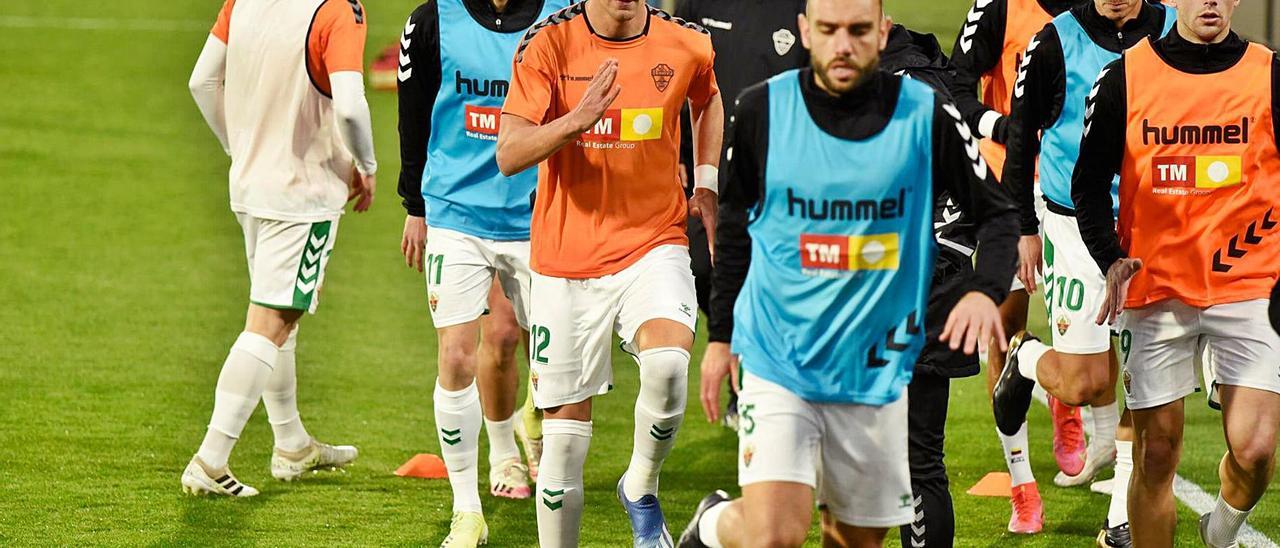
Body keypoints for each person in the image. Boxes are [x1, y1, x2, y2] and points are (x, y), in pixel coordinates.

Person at [678, 0, 1019, 545]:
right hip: (782, 358)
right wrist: (721, 338)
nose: (843, 45)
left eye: (859, 30)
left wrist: (985, 290)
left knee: (856, 538)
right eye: (830, 30)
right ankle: (716, 527)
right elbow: (737, 237)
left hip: (876, 368)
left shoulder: (925, 115)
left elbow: (998, 212)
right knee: (774, 534)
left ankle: (715, 520)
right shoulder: (763, 112)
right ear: (805, 32)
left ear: (882, 33)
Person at [495, 0, 724, 545]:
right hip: (565, 261)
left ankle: (640, 485)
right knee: (565, 445)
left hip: (654, 240)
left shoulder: (687, 42)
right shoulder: (547, 42)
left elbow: (707, 98)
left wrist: (707, 180)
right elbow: (509, 152)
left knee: (669, 365)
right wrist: (576, 120)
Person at [1071, 0, 1280, 544]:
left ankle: (1221, 529)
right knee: (1156, 454)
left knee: (1255, 451)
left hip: (1251, 287)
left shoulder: (1271, 73)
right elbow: (1089, 185)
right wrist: (1109, 257)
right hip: (1156, 289)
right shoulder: (1124, 77)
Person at [991, 0, 1174, 545]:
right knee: (1085, 382)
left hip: (1153, 218)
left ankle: (1119, 514)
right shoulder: (1054, 41)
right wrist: (1024, 226)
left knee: (1148, 375)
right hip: (1073, 224)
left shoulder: (1168, 30)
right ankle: (1023, 358)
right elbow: (1022, 137)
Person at [182, 0, 377, 496]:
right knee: (270, 323)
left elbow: (202, 81)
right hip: (301, 195)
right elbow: (351, 106)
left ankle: (291, 444)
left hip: (250, 187)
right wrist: (367, 165)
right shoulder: (339, 11)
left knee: (278, 318)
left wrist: (238, 145)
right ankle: (211, 459)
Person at [394, 0, 568, 544]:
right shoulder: (431, 22)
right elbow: (413, 113)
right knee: (458, 353)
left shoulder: (563, 15)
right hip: (455, 215)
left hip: (536, 214)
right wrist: (414, 207)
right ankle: (468, 509)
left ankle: (533, 423)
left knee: (554, 357)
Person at [946, 0, 1083, 532]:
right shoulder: (1001, 5)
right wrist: (1005, 126)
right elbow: (956, 85)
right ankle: (1022, 485)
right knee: (1002, 331)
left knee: (1092, 338)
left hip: (1081, 192)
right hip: (1009, 185)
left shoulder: (1113, 11)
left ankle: (1063, 393)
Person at [675, 0, 808, 431]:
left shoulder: (805, 7)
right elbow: (681, 75)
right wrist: (676, 153)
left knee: (775, 281)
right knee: (702, 267)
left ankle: (761, 388)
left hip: (781, 174)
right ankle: (737, 355)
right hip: (710, 171)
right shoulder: (700, 2)